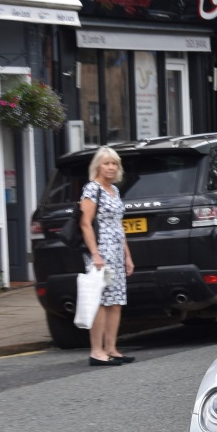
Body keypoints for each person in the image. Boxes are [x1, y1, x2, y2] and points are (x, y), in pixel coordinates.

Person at [79, 146, 134, 366]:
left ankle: (111, 348)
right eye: (106, 163)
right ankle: (97, 352)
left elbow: (118, 227)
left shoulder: (114, 190)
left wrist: (128, 257)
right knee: (100, 302)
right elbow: (85, 223)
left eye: (114, 164)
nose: (111, 167)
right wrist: (95, 254)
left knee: (116, 301)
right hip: (100, 252)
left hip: (116, 253)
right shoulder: (93, 189)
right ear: (98, 166)